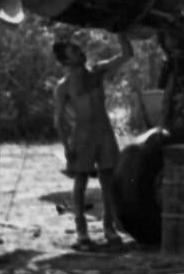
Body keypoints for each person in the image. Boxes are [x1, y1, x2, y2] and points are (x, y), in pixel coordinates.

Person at [53, 33, 135, 249]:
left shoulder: (97, 71)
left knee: (108, 180)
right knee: (80, 181)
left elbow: (127, 54)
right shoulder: (64, 86)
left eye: (79, 49)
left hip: (104, 131)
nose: (81, 52)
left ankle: (109, 228)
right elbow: (59, 119)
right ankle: (82, 232)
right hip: (82, 134)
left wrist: (119, 31)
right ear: (65, 60)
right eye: (74, 51)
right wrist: (66, 146)